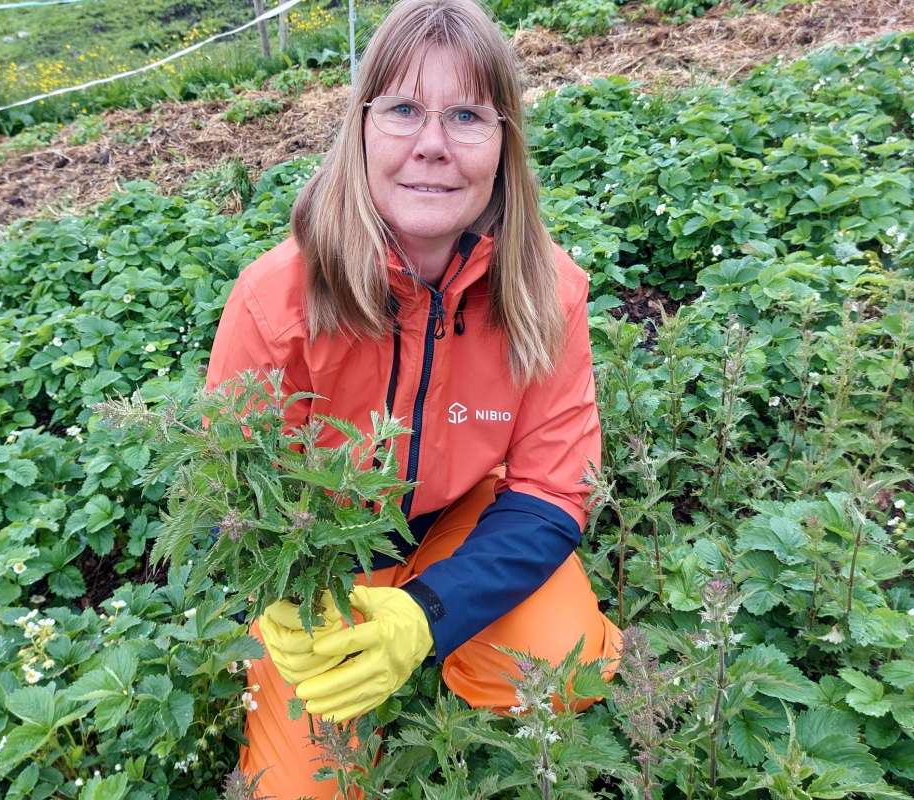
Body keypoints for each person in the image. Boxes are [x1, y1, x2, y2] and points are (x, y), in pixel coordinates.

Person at [203, 0, 623, 795]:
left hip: (459, 524)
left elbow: (550, 491)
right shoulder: (275, 299)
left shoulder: (547, 292)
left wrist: (428, 613)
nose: (432, 144)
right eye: (402, 109)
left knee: (563, 666)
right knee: (307, 789)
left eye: (467, 115)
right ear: (361, 128)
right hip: (323, 558)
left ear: (503, 144)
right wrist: (283, 596)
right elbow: (231, 490)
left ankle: (445, 644)